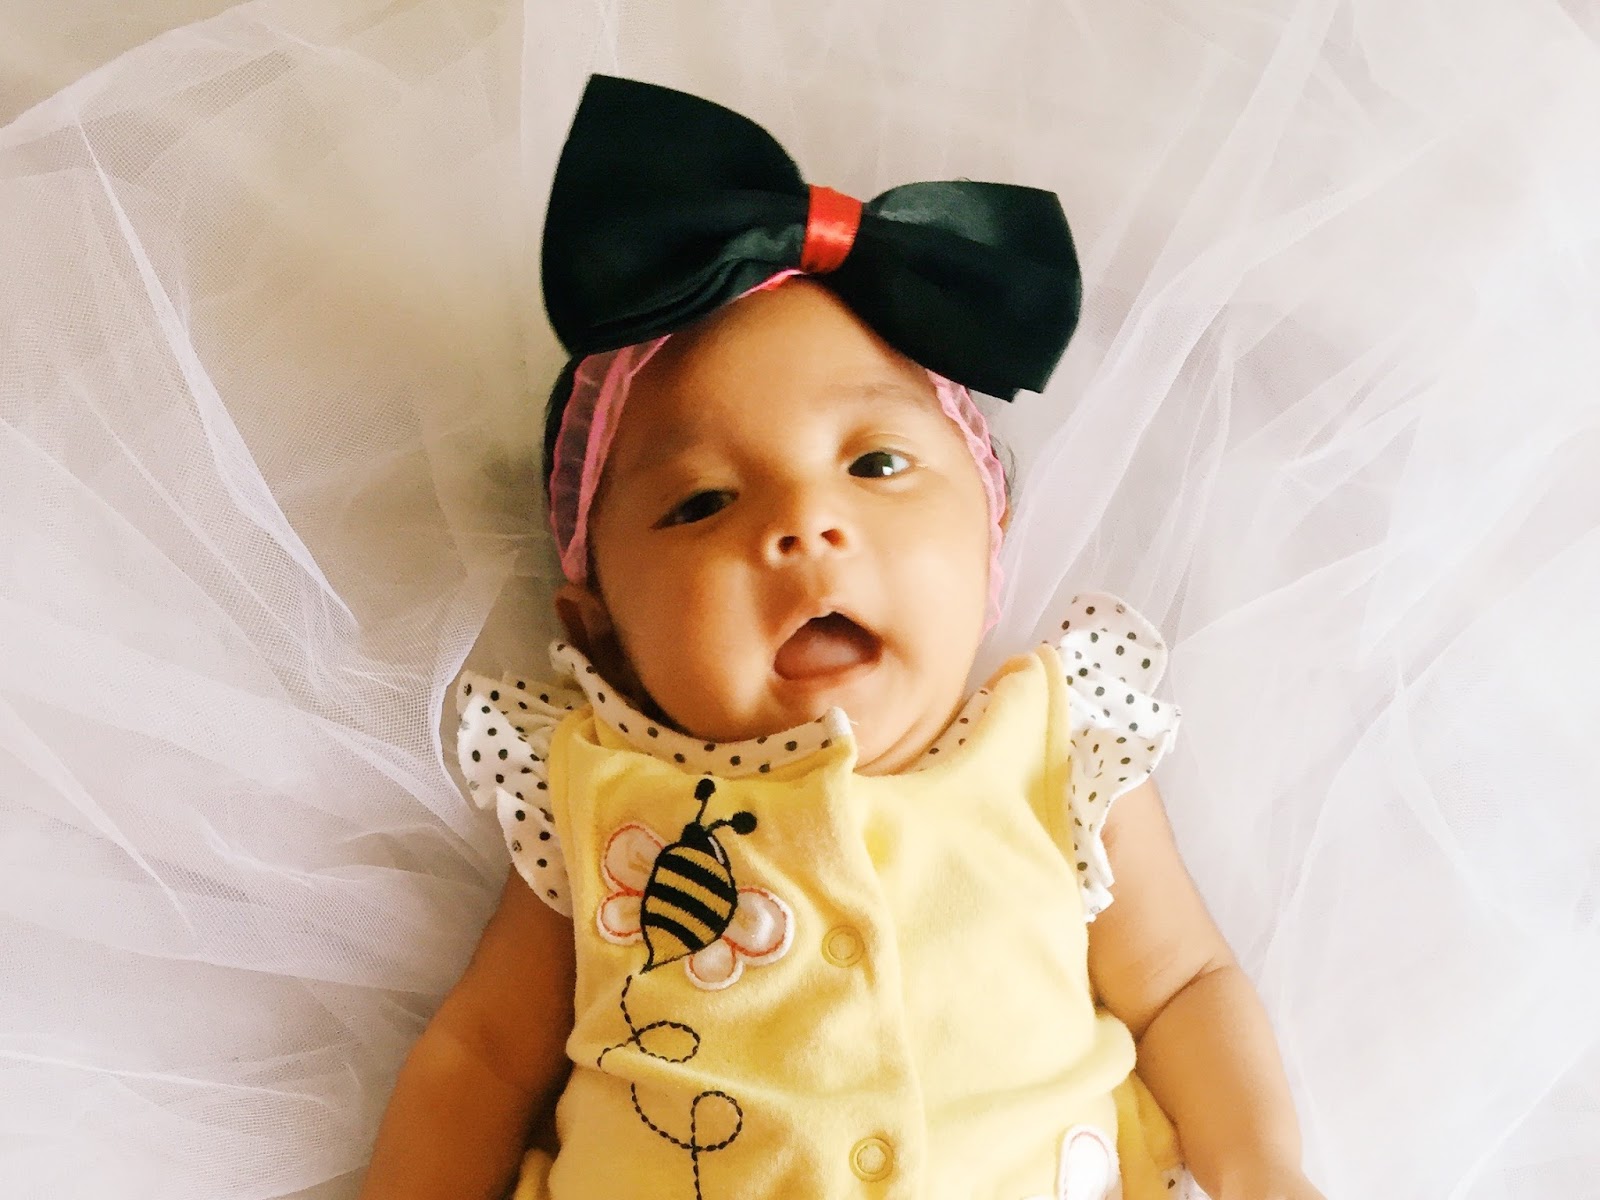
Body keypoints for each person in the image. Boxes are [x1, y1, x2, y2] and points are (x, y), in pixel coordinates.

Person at [357, 75, 1324, 1200]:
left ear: (990, 542)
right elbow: (481, 1056)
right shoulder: (593, 794)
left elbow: (1185, 985)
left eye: (876, 463)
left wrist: (1264, 1171)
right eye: (702, 503)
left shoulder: (1059, 755)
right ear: (602, 634)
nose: (803, 525)